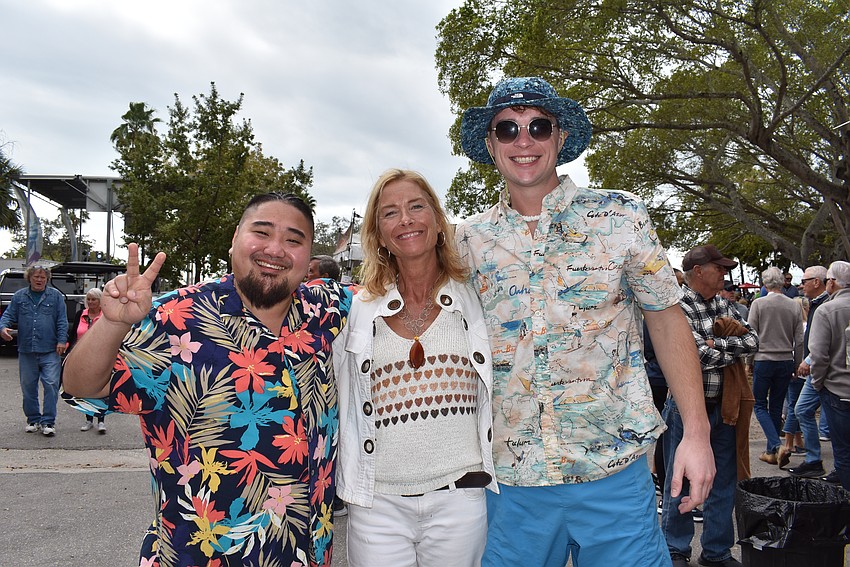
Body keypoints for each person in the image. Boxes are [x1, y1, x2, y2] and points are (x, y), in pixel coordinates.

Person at [456, 76, 714, 567]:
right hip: (513, 485)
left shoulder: (622, 217)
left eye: (538, 125)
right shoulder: (467, 242)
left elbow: (667, 320)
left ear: (560, 137)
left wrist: (696, 437)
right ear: (491, 145)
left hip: (613, 476)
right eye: (507, 129)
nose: (523, 140)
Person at [62, 193, 352, 566]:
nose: (276, 249)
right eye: (261, 232)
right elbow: (81, 387)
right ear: (235, 238)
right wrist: (113, 323)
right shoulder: (173, 319)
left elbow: (391, 291)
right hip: (200, 555)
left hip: (309, 553)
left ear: (308, 256)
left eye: (294, 240)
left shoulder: (324, 309)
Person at [334, 169, 496, 566]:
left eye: (416, 206)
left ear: (439, 222)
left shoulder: (479, 299)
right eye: (389, 213)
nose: (405, 219)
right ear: (379, 235)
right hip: (378, 504)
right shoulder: (357, 310)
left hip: (460, 498)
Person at [665, 244, 758, 567]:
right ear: (699, 271)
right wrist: (722, 348)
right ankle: (676, 548)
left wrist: (714, 343)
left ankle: (716, 552)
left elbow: (753, 341)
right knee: (680, 480)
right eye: (719, 268)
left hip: (724, 405)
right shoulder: (676, 305)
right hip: (688, 407)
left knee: (723, 481)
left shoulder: (723, 303)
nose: (724, 273)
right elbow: (692, 354)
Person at [0, 264, 68, 436]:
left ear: (47, 279)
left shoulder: (56, 297)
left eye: (43, 277)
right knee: (28, 387)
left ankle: (48, 422)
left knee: (52, 385)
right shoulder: (19, 296)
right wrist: (3, 328)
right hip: (26, 350)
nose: (39, 280)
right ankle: (33, 419)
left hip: (50, 350)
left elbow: (62, 320)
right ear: (29, 278)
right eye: (36, 277)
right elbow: (8, 315)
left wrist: (62, 340)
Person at [747, 267, 804, 468]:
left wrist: (749, 361)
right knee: (777, 405)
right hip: (786, 359)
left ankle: (776, 445)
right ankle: (772, 450)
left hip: (764, 358)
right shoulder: (794, 305)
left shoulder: (758, 304)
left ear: (765, 283)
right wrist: (798, 363)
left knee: (759, 404)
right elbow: (799, 339)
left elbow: (751, 336)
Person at [807, 260, 850, 490]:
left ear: (832, 283)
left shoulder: (826, 310)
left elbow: (819, 355)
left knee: (842, 453)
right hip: (836, 387)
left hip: (837, 390)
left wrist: (818, 383)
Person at [788, 265, 833, 480]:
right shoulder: (820, 303)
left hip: (822, 369)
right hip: (818, 369)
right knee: (804, 410)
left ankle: (817, 460)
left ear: (817, 282)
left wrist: (808, 360)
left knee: (808, 410)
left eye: (805, 280)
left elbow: (825, 341)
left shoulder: (827, 304)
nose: (801, 284)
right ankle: (814, 459)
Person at [68, 288, 107, 433]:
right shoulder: (80, 314)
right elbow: (73, 334)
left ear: (100, 301)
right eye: (89, 299)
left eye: (94, 299)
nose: (91, 302)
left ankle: (101, 420)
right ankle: (88, 419)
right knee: (85, 390)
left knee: (100, 389)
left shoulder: (106, 316)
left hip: (100, 357)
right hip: (82, 357)